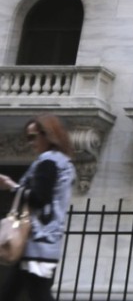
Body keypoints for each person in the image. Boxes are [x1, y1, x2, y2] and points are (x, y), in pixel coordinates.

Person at [0, 114, 76, 301]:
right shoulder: (62, 161)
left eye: (33, 137)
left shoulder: (48, 161)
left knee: (31, 294)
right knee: (14, 292)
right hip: (40, 243)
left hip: (38, 242)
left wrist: (11, 185)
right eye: (28, 138)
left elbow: (39, 198)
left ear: (47, 135)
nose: (30, 143)